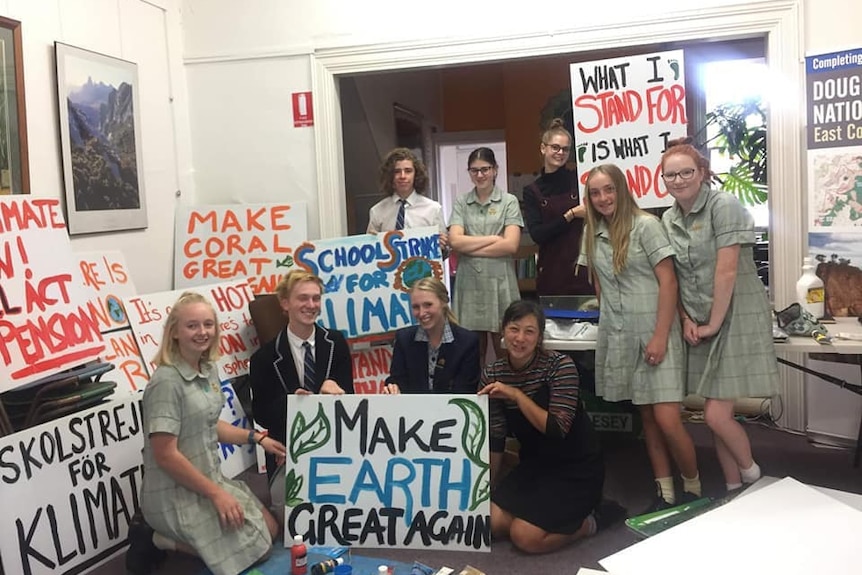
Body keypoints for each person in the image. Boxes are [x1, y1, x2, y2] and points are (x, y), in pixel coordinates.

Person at [127, 292, 286, 575]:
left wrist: (257, 438)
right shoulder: (165, 381)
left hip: (208, 478)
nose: (202, 332)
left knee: (271, 531)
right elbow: (165, 455)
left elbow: (208, 425)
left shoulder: (207, 369)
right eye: (192, 326)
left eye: (208, 324)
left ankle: (186, 538)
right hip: (174, 492)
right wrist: (217, 495)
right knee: (255, 551)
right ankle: (154, 537)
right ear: (174, 332)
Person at [579, 164, 701, 512]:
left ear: (621, 189)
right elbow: (600, 284)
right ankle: (665, 493)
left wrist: (661, 336)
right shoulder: (592, 232)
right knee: (646, 419)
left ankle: (693, 487)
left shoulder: (647, 226)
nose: (603, 198)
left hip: (654, 330)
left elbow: (669, 282)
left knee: (667, 419)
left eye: (608, 190)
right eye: (595, 193)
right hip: (620, 335)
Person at [660, 137, 779, 493]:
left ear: (702, 172)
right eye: (671, 175)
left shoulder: (724, 205)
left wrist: (712, 322)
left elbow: (726, 271)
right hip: (699, 319)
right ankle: (733, 488)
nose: (679, 180)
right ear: (662, 180)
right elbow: (674, 277)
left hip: (735, 316)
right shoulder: (668, 218)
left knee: (714, 414)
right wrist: (684, 318)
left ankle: (752, 474)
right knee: (716, 417)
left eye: (686, 172)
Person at [479, 300, 622, 554]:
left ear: (539, 337)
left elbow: (557, 429)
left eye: (529, 331)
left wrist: (516, 395)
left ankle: (591, 521)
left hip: (576, 467)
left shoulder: (560, 366)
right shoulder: (492, 372)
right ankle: (543, 518)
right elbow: (496, 436)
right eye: (514, 329)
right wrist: (485, 486)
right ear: (502, 330)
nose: (520, 338)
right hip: (535, 465)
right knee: (490, 522)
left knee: (525, 538)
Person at [249, 269, 354, 480]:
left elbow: (350, 400)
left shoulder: (337, 343)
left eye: (316, 298)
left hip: (335, 447)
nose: (311, 305)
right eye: (303, 298)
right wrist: (292, 403)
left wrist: (337, 391)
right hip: (286, 450)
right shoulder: (264, 357)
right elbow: (261, 413)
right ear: (285, 303)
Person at [449, 147, 523, 363]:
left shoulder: (509, 201)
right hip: (468, 284)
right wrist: (493, 239)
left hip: (500, 282)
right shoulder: (461, 202)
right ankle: (477, 396)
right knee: (472, 352)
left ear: (495, 170)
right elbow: (454, 241)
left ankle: (505, 396)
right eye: (474, 170)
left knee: (505, 349)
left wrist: (468, 246)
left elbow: (511, 246)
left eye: (485, 169)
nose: (480, 175)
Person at [522, 118, 593, 296]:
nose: (560, 153)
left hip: (584, 269)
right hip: (552, 273)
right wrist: (570, 215)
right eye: (555, 147)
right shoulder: (532, 191)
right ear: (543, 148)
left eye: (565, 149)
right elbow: (538, 234)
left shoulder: (579, 180)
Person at [383, 276, 480, 394]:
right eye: (416, 307)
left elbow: (466, 390)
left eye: (428, 305)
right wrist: (392, 387)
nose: (422, 313)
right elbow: (397, 379)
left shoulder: (468, 342)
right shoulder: (404, 339)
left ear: (444, 302)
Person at [367, 147, 448, 253]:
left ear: (416, 174)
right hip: (388, 268)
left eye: (408, 171)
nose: (403, 176)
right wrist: (369, 243)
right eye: (397, 171)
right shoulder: (377, 211)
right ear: (390, 176)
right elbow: (368, 254)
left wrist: (442, 246)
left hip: (421, 267)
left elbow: (444, 253)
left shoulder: (433, 209)